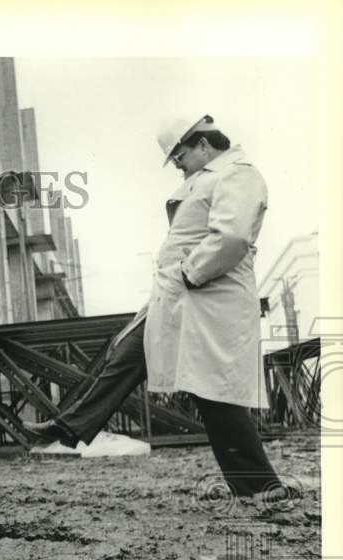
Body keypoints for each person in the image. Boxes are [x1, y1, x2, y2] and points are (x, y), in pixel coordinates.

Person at [24, 114, 289, 502]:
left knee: (215, 398)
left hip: (208, 301)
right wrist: (153, 306)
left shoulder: (238, 173)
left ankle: (262, 488)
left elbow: (231, 237)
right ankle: (70, 426)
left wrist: (187, 275)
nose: (177, 164)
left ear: (202, 144)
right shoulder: (206, 178)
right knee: (126, 351)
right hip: (180, 300)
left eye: (179, 155)